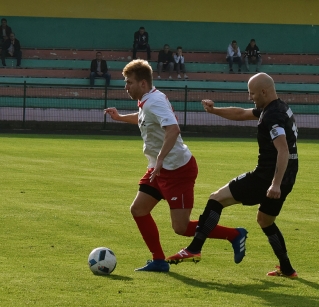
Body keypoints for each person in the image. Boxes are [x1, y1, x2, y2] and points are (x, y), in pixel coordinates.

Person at [104, 59, 248, 272]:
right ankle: (159, 261)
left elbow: (173, 129)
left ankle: (234, 234)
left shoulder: (154, 101)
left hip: (177, 170)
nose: (126, 87)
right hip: (159, 169)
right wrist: (121, 118)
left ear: (143, 84)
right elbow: (145, 119)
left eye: (129, 82)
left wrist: (161, 157)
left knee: (180, 227)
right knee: (138, 209)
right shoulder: (148, 99)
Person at [167, 73, 299, 278]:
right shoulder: (279, 107)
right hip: (288, 176)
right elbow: (241, 113)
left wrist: (274, 184)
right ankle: (288, 269)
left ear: (264, 91)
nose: (250, 97)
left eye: (252, 93)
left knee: (216, 199)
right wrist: (214, 110)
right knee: (265, 220)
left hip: (266, 177)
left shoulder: (272, 116)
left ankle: (194, 248)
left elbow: (282, 150)